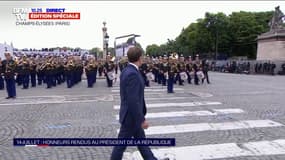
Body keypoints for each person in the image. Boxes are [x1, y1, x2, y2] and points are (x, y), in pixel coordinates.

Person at [110, 47, 159, 160]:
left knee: (142, 143)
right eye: (143, 56)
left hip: (130, 115)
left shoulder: (127, 70)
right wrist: (141, 119)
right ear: (140, 57)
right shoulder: (132, 73)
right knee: (120, 146)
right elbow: (133, 100)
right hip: (131, 117)